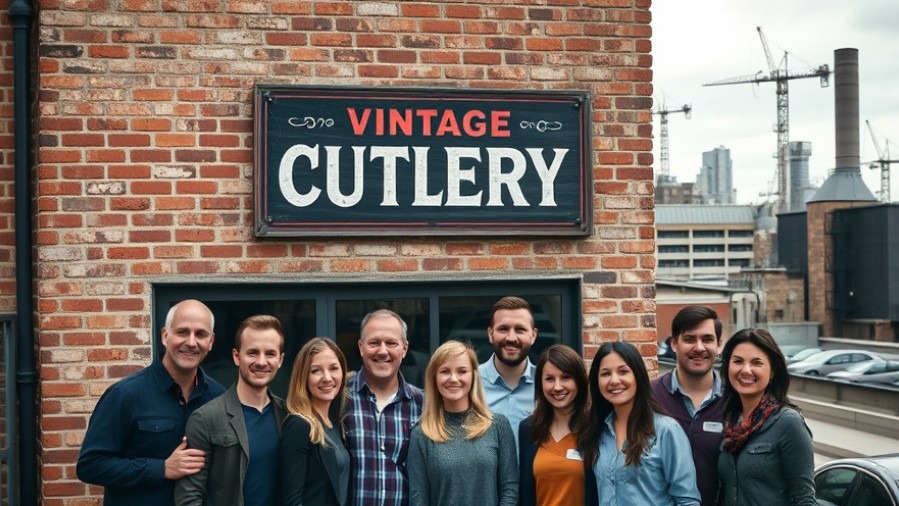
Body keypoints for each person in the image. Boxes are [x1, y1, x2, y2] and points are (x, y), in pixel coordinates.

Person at [76, 299, 225, 506]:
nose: (191, 342)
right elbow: (90, 466)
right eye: (182, 332)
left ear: (211, 341)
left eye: (200, 334)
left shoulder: (218, 397)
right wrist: (162, 468)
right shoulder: (125, 395)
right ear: (165, 336)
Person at [174, 315, 288, 505]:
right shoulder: (206, 418)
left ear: (280, 359)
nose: (261, 362)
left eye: (270, 353)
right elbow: (189, 497)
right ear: (237, 356)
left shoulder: (288, 415)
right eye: (252, 353)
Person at [582, 341, 701, 506]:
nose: (614, 380)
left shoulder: (666, 431)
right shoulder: (596, 432)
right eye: (605, 374)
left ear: (637, 376)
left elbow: (687, 501)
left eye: (623, 371)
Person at [408, 340, 518, 506]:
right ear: (434, 378)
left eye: (462, 371)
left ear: (473, 375)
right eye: (445, 371)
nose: (453, 379)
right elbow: (418, 499)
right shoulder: (421, 434)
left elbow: (510, 490)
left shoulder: (497, 426)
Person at [717, 328, 816, 506]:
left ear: (772, 373)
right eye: (738, 361)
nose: (746, 370)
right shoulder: (730, 422)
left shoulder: (788, 423)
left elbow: (804, 499)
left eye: (757, 363)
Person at [344, 309, 423, 506]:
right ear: (361, 347)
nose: (382, 351)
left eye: (391, 343)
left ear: (404, 349)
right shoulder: (340, 399)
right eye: (374, 342)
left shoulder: (422, 404)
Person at [651, 306, 725, 506]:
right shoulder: (649, 397)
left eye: (707, 339)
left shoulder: (734, 400)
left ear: (719, 345)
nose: (699, 347)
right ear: (674, 343)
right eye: (690, 339)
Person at [518, 345, 597, 506]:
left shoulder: (595, 428)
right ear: (540, 384)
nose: (557, 387)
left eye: (566, 377)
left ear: (579, 381)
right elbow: (525, 492)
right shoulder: (528, 429)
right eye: (549, 379)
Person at [279, 337, 350, 506]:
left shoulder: (338, 424)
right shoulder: (299, 425)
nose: (327, 378)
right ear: (303, 377)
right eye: (316, 371)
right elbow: (291, 500)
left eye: (334, 368)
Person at [478, 296, 538, 448]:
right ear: (490, 334)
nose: (511, 338)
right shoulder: (470, 383)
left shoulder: (548, 386)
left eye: (520, 329)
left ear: (533, 335)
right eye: (503, 329)